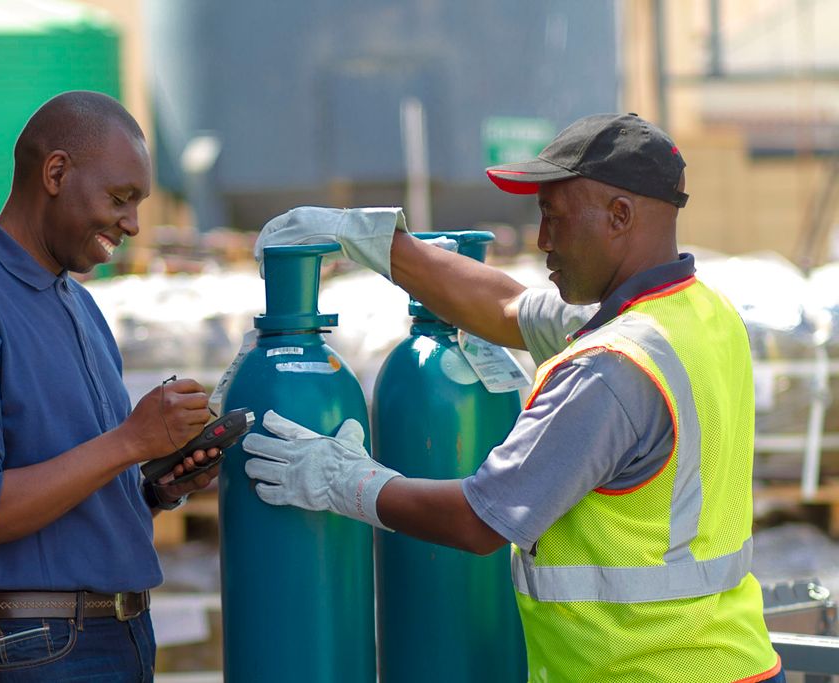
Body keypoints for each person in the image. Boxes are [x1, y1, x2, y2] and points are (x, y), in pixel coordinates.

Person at [244, 113, 784, 682]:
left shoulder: (610, 370)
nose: (542, 240)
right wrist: (376, 241)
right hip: (732, 660)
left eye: (554, 217)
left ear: (619, 216)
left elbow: (480, 520)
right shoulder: (703, 315)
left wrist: (345, 480)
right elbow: (506, 308)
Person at [0, 91, 220, 682]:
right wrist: (128, 442)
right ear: (56, 172)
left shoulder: (80, 305)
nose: (134, 224)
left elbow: (72, 481)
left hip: (116, 633)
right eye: (120, 198)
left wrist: (157, 484)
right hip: (33, 645)